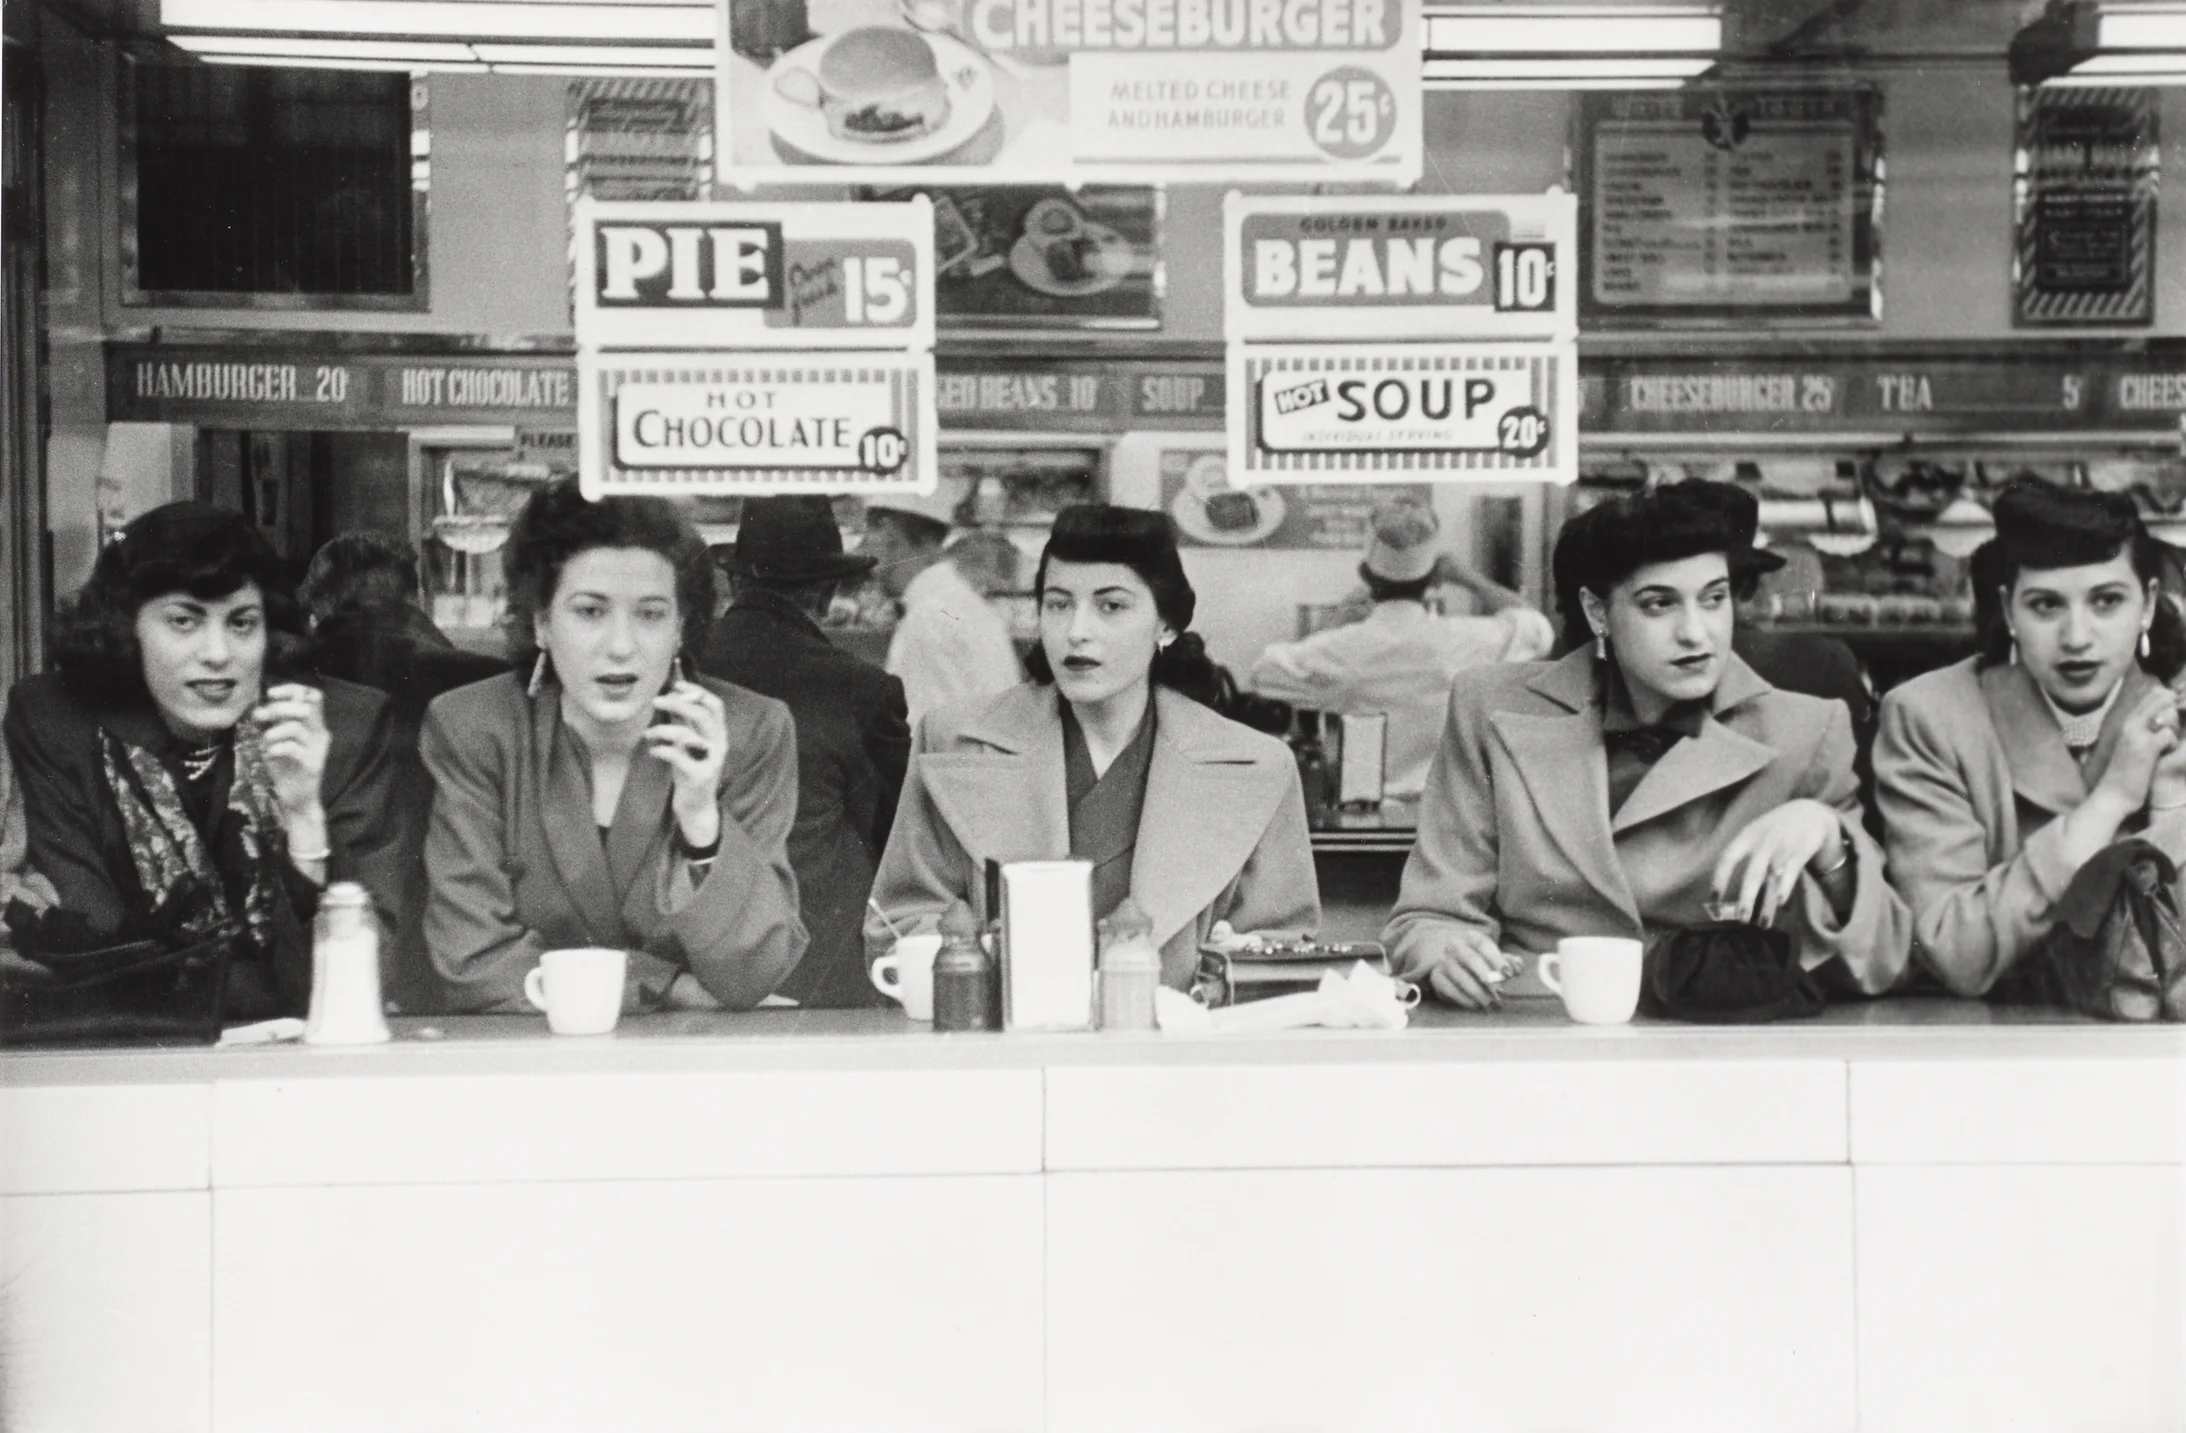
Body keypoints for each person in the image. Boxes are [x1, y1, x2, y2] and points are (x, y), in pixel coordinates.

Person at [1384, 480, 1910, 1009]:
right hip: (1539, 1026)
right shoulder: (1490, 708)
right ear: (1596, 613)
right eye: (1659, 604)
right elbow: (1428, 916)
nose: (1696, 634)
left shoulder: (1808, 731)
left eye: (1714, 599)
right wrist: (1448, 952)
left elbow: (1881, 958)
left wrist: (1828, 843)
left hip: (1721, 1039)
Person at [868, 504, 1319, 990]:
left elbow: (1287, 948)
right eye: (1059, 604)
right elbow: (897, 924)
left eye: (1111, 606)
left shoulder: (1258, 766)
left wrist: (1238, 964)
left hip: (1183, 1055)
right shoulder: (955, 743)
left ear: (1165, 625)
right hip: (1007, 1051)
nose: (1077, 631)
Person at [2, 503, 406, 1021]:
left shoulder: (343, 728)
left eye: (242, 622)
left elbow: (364, 976)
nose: (218, 653)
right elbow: (95, 948)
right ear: (129, 629)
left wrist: (304, 817)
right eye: (184, 621)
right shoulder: (58, 722)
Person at [421, 479, 806, 1013]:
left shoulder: (750, 731)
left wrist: (702, 824)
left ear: (680, 630)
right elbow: (471, 963)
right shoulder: (475, 728)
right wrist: (666, 986)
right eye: (590, 611)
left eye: (649, 614)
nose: (621, 647)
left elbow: (752, 974)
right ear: (540, 623)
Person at [1875, 480, 2186, 997]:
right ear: (2010, 611)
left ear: (2148, 606)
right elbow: (1955, 949)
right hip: (1989, 1049)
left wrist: (2173, 808)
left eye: (2107, 601)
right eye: (2046, 605)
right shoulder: (1930, 717)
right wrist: (2111, 802)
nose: (2077, 636)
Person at [701, 497, 911, 1008]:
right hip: (821, 970)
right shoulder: (863, 689)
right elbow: (898, 838)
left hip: (694, 959)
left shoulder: (680, 667)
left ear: (734, 581)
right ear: (827, 592)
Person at [302, 531, 508, 1012]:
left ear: (316, 603)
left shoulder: (287, 684)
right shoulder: (480, 680)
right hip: (461, 919)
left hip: (338, 924)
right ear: (412, 595)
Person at [1248, 497, 1556, 800]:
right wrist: (1467, 578)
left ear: (1366, 574)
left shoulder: (1344, 647)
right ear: (1435, 576)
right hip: (1447, 809)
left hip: (1362, 811)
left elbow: (1263, 674)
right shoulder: (1461, 640)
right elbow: (1538, 630)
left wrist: (1336, 621)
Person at [863, 487, 1022, 726]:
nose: (867, 553)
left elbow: (925, 738)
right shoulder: (961, 605)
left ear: (890, 534)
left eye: (872, 535)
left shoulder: (929, 618)